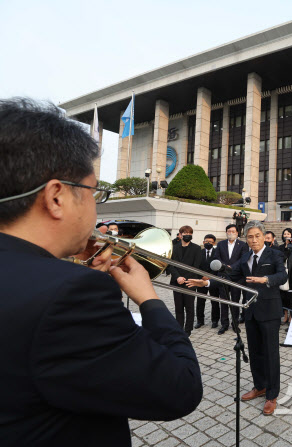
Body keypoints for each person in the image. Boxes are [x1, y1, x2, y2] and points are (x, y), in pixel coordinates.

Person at [0, 98, 201, 446]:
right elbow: (180, 387)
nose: (97, 206)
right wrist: (148, 298)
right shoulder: (71, 295)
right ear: (57, 197)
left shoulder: (59, 283)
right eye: (95, 192)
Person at [189, 221, 287, 416]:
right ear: (246, 239)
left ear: (264, 235)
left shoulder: (274, 254)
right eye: (250, 236)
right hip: (250, 311)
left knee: (270, 354)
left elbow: (282, 276)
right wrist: (207, 282)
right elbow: (230, 278)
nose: (254, 240)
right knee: (256, 352)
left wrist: (265, 280)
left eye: (257, 236)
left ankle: (272, 394)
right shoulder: (245, 258)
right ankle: (259, 386)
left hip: (269, 312)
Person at [167, 225, 202, 336]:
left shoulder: (196, 248)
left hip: (190, 282)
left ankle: (188, 330)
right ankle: (179, 328)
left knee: (189, 308)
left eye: (189, 234)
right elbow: (170, 264)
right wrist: (177, 277)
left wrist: (185, 279)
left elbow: (196, 266)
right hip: (176, 282)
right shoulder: (174, 247)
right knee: (178, 307)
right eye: (185, 233)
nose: (187, 235)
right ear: (180, 234)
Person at [213, 224, 249, 333]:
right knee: (223, 301)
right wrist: (224, 267)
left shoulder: (243, 245)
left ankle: (235, 324)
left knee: (235, 301)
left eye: (233, 231)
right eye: (229, 231)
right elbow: (217, 257)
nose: (231, 233)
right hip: (223, 276)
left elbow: (243, 259)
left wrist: (231, 267)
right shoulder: (221, 244)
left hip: (237, 278)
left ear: (237, 233)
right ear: (226, 232)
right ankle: (224, 324)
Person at [195, 234, 220, 330]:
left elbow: (218, 266)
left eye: (210, 242)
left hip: (213, 280)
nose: (208, 243)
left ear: (214, 243)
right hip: (201, 280)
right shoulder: (199, 253)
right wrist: (202, 276)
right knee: (200, 301)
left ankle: (215, 320)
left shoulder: (217, 253)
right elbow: (196, 265)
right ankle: (200, 321)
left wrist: (210, 276)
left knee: (215, 301)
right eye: (206, 241)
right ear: (203, 242)